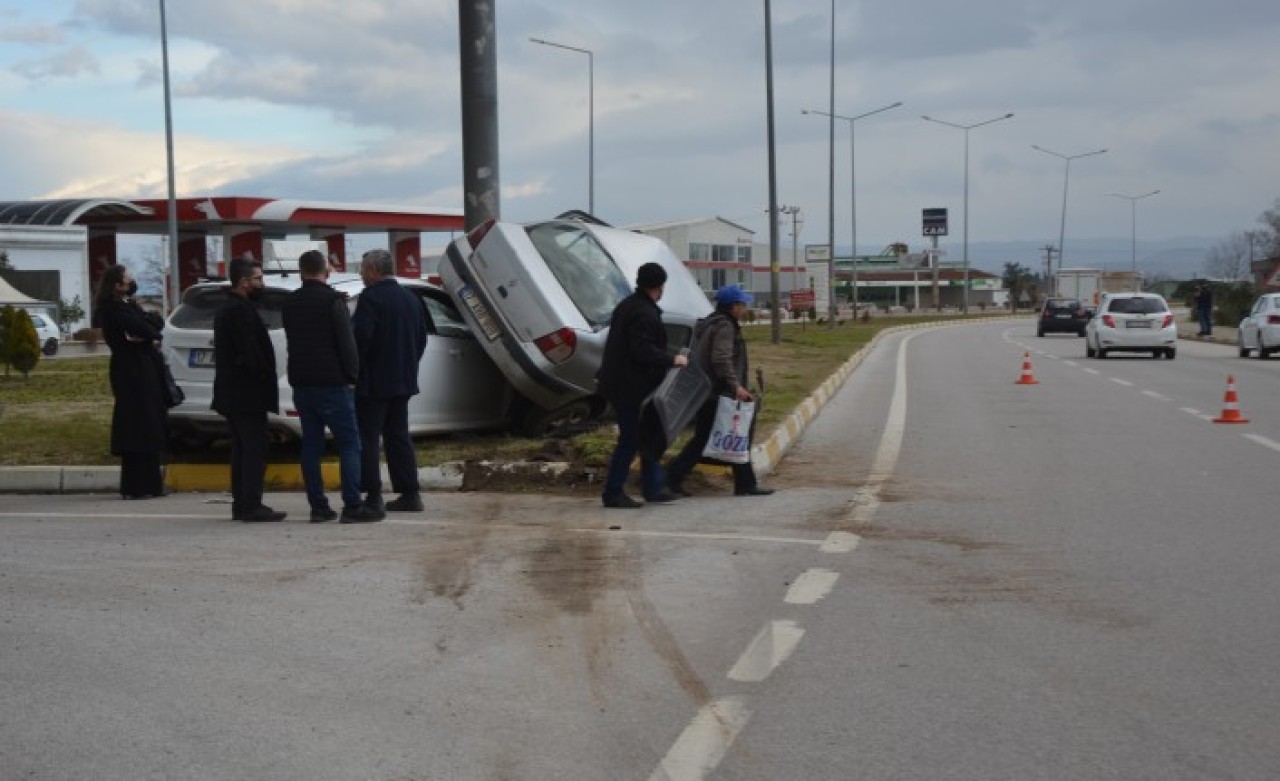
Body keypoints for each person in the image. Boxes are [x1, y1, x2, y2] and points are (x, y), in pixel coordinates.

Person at [282, 251, 384, 524]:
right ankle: (352, 505)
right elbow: (346, 343)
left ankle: (318, 506)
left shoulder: (289, 303)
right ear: (325, 271)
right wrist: (352, 376)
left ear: (301, 271)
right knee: (349, 443)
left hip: (302, 382)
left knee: (311, 444)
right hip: (333, 382)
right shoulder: (332, 302)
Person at [665, 284, 775, 498]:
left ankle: (744, 483)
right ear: (733, 306)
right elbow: (721, 358)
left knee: (724, 436)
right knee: (720, 436)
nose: (744, 309)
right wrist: (736, 386)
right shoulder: (725, 326)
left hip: (708, 391)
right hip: (717, 392)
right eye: (742, 305)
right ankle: (671, 478)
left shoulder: (712, 323)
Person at [596, 262, 689, 508]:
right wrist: (673, 359)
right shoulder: (644, 312)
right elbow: (642, 350)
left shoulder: (628, 305)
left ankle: (653, 488)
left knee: (648, 436)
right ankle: (613, 493)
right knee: (630, 439)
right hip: (629, 387)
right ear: (659, 286)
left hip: (626, 384)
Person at [352, 249, 427, 513]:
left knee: (369, 438)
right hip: (403, 380)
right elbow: (420, 340)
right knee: (398, 436)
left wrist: (355, 372)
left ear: (373, 270)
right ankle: (410, 493)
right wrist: (407, 365)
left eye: (362, 269)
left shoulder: (371, 298)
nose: (360, 274)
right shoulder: (410, 298)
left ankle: (373, 495)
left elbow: (361, 338)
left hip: (374, 382)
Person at [212, 258, 286, 523]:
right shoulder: (239, 311)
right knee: (253, 448)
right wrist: (264, 372)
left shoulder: (232, 308)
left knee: (243, 449)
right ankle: (250, 504)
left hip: (235, 393)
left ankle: (243, 503)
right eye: (258, 279)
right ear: (244, 282)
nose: (262, 284)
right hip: (246, 394)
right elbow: (249, 353)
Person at [93, 264, 169, 499]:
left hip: (143, 367)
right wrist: (150, 327)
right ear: (117, 286)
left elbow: (155, 324)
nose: (131, 283)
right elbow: (144, 329)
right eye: (127, 280)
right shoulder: (113, 310)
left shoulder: (128, 306)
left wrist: (150, 325)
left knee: (149, 422)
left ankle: (151, 484)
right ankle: (136, 485)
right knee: (136, 423)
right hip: (130, 371)